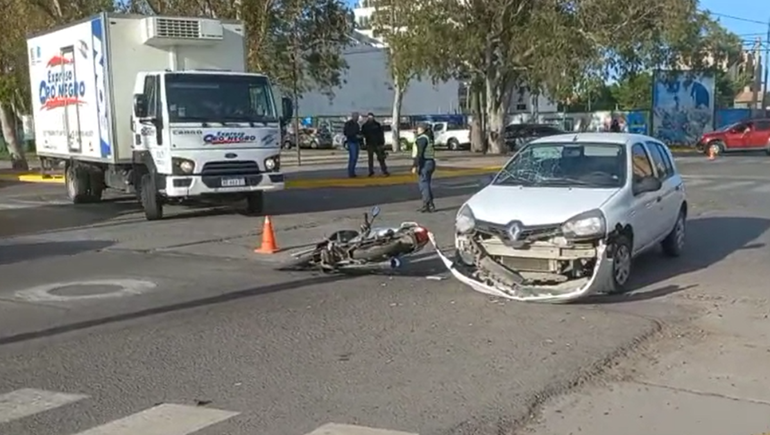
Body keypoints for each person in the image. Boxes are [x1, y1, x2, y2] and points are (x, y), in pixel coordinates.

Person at [411, 123, 436, 213]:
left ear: (421, 129)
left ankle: (427, 204)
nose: (416, 130)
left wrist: (415, 165)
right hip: (431, 162)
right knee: (427, 184)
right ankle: (430, 204)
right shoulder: (429, 137)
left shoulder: (422, 139)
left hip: (425, 162)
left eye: (417, 128)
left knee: (423, 184)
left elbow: (419, 153)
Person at [343, 112, 362, 177]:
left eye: (357, 117)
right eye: (356, 116)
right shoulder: (348, 124)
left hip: (356, 142)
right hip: (351, 142)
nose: (356, 118)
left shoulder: (357, 125)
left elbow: (358, 132)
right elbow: (346, 132)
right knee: (353, 157)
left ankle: (352, 172)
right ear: (353, 116)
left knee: (355, 157)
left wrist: (360, 136)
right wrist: (354, 135)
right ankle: (350, 172)